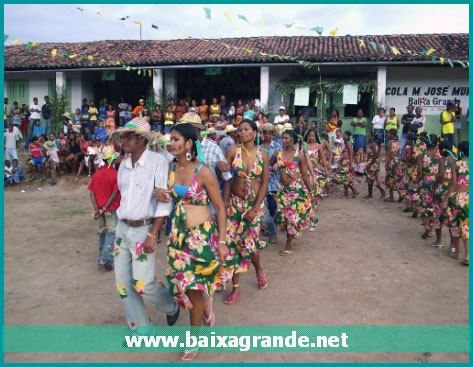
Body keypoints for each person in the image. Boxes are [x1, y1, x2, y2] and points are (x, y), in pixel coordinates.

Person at [157, 123, 231, 361]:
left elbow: (219, 207)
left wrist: (222, 241)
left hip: (202, 240)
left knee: (194, 290)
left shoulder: (204, 171)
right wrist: (159, 193)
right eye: (170, 139)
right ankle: (207, 309)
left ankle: (193, 339)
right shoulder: (169, 167)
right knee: (187, 288)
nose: (171, 143)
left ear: (189, 143)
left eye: (176, 139)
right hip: (179, 239)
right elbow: (164, 195)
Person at [109, 117, 180, 327]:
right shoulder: (122, 165)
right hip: (122, 228)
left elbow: (164, 203)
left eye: (128, 136)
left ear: (142, 140)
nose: (123, 140)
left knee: (143, 284)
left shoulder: (158, 162)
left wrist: (152, 234)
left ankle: (170, 304)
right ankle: (141, 328)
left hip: (144, 229)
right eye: (122, 137)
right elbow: (123, 197)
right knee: (123, 284)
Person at [223, 119, 269, 304]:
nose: (242, 132)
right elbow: (226, 178)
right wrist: (225, 203)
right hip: (234, 203)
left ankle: (258, 268)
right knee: (233, 244)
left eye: (246, 129)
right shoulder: (233, 151)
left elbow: (264, 183)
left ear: (255, 132)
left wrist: (256, 208)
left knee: (250, 244)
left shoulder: (263, 155)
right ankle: (235, 289)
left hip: (253, 205)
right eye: (239, 130)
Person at [272, 129, 313, 255]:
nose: (283, 141)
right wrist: (274, 167)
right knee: (281, 219)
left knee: (291, 218)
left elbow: (304, 175)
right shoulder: (277, 154)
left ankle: (288, 243)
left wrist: (311, 191)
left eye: (286, 138)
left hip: (296, 191)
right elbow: (268, 166)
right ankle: (291, 234)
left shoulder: (299, 156)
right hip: (282, 191)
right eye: (282, 138)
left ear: (292, 140)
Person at [88, 152, 121, 272]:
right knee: (111, 233)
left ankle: (101, 257)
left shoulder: (96, 174)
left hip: (100, 209)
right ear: (112, 160)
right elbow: (115, 193)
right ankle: (105, 259)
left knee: (103, 232)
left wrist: (97, 208)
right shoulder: (115, 174)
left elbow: (91, 193)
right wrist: (105, 208)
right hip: (109, 209)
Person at [442, 141, 469, 265]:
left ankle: (457, 253)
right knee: (466, 226)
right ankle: (468, 255)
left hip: (458, 198)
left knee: (455, 225)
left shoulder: (456, 164)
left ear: (460, 151)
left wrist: (446, 198)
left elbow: (453, 183)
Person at [432, 140, 456, 249]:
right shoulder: (455, 159)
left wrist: (435, 185)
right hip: (452, 189)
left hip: (442, 188)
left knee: (438, 214)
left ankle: (439, 240)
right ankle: (452, 243)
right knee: (450, 216)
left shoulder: (443, 160)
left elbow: (440, 174)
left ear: (442, 150)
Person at [416, 134, 441, 239]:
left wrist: (418, 181)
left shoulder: (422, 155)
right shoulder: (440, 155)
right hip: (437, 182)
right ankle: (431, 227)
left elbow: (419, 171)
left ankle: (426, 227)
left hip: (426, 181)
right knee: (434, 205)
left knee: (424, 205)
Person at [261, 123, 281, 243]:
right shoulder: (259, 148)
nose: (267, 135)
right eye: (265, 133)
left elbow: (283, 160)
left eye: (269, 133)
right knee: (264, 211)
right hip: (262, 184)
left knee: (274, 210)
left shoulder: (277, 147)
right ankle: (273, 233)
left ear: (273, 134)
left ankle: (272, 227)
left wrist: (277, 163)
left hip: (274, 184)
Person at [364, 134, 385, 199]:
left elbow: (376, 155)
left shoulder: (372, 145)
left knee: (370, 179)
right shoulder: (375, 145)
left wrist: (370, 164)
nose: (368, 137)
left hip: (372, 163)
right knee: (373, 179)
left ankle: (375, 192)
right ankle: (372, 193)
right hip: (374, 163)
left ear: (372, 137)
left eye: (370, 136)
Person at [384, 129, 402, 202]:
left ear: (392, 134)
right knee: (396, 178)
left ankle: (391, 197)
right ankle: (400, 194)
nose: (388, 135)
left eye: (389, 134)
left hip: (392, 161)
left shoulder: (390, 142)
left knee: (390, 177)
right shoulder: (398, 142)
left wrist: (386, 163)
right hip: (397, 161)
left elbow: (388, 153)